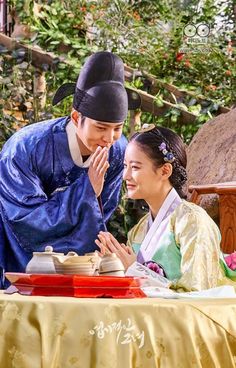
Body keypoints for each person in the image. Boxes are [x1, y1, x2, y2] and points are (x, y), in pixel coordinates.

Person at [0, 51, 140, 287]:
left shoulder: (118, 150)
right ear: (76, 117)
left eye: (117, 128)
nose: (109, 138)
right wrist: (87, 190)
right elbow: (26, 222)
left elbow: (98, 219)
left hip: (81, 263)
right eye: (101, 128)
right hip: (16, 251)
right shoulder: (24, 148)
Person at [96, 124, 236, 292]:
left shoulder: (192, 222)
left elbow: (199, 294)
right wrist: (113, 265)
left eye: (135, 167)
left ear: (165, 171)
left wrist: (135, 269)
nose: (125, 176)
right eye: (125, 166)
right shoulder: (139, 230)